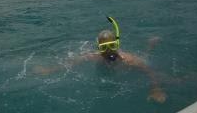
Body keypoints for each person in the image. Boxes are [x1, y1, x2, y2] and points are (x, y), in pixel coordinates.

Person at [36, 17, 166, 103]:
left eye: (112, 46)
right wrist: (50, 69)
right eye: (104, 47)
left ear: (117, 44)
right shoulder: (95, 56)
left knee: (146, 57)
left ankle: (151, 44)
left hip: (135, 64)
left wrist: (156, 88)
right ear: (98, 48)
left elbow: (149, 71)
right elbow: (73, 62)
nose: (109, 50)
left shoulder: (128, 59)